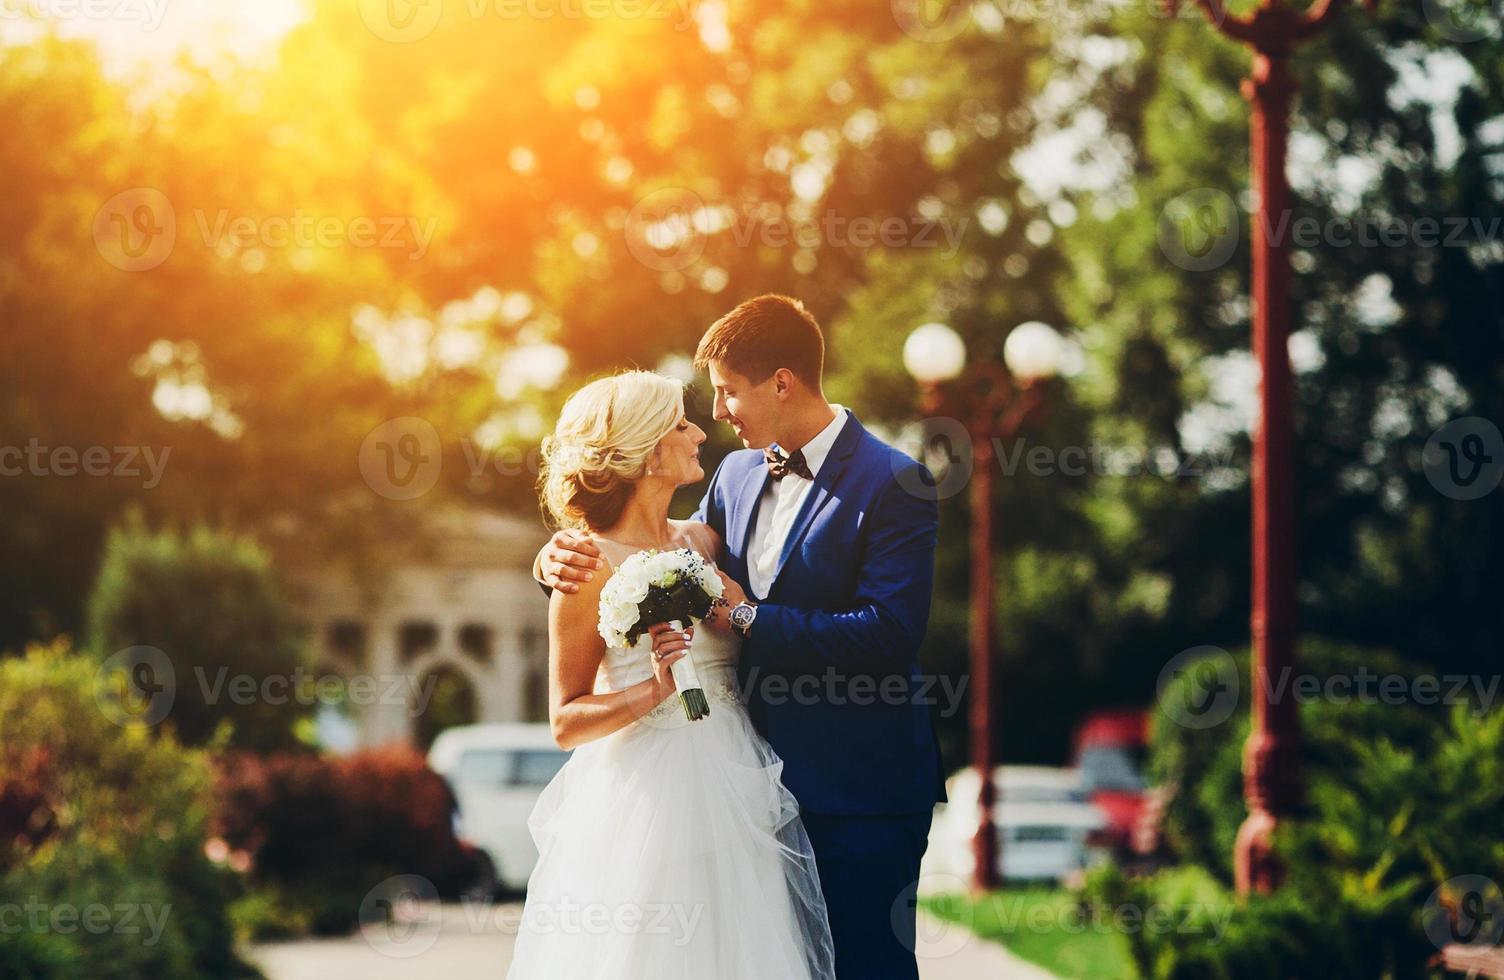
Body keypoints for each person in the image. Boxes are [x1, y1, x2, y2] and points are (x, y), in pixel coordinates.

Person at [537, 295, 946, 979]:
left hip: (860, 790)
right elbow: (642, 560)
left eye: (726, 392)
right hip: (747, 793)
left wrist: (749, 618)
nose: (716, 416)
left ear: (781, 383)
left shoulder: (896, 481)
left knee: (869, 966)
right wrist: (552, 561)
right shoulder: (737, 476)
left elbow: (890, 633)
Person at [508, 369, 835, 980]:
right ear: (646, 451)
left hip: (738, 777)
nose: (698, 431)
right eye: (680, 423)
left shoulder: (706, 542)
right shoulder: (586, 567)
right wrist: (655, 690)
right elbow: (565, 720)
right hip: (645, 794)